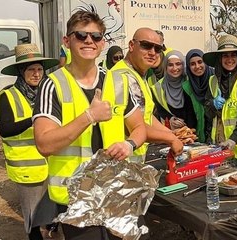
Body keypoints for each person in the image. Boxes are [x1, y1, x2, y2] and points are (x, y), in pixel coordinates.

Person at [33, 10, 147, 239]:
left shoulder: (117, 82)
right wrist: (89, 116)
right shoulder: (52, 84)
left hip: (118, 191)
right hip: (77, 198)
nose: (89, 41)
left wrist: (129, 145)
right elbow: (44, 144)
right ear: (67, 40)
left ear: (102, 43)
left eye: (95, 37)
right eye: (81, 35)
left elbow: (140, 128)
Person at [0, 43, 59, 240]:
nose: (36, 74)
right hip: (27, 169)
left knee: (53, 211)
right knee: (33, 219)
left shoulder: (48, 93)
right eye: (31, 69)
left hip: (52, 164)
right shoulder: (8, 96)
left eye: (40, 69)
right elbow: (5, 130)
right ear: (21, 71)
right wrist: (35, 117)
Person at [111, 27, 183, 161]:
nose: (152, 52)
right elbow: (135, 126)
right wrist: (170, 138)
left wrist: (171, 133)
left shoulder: (138, 75)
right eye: (146, 46)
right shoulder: (123, 77)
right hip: (122, 162)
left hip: (134, 158)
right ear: (131, 45)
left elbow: (146, 116)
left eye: (158, 49)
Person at [203, 34, 237, 161]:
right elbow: (207, 111)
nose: (230, 59)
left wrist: (233, 139)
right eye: (225, 55)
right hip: (218, 145)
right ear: (219, 59)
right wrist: (212, 105)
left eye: (233, 55)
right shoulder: (213, 80)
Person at [151, 50, 199, 135]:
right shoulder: (157, 87)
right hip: (171, 134)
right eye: (170, 65)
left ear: (183, 65)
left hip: (195, 134)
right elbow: (160, 110)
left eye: (178, 64)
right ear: (165, 67)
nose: (174, 68)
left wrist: (188, 129)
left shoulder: (191, 82)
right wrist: (170, 119)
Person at [186, 48, 215, 143]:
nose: (197, 66)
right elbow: (189, 115)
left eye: (200, 62)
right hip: (199, 137)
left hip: (218, 134)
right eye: (192, 64)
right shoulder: (187, 86)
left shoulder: (215, 79)